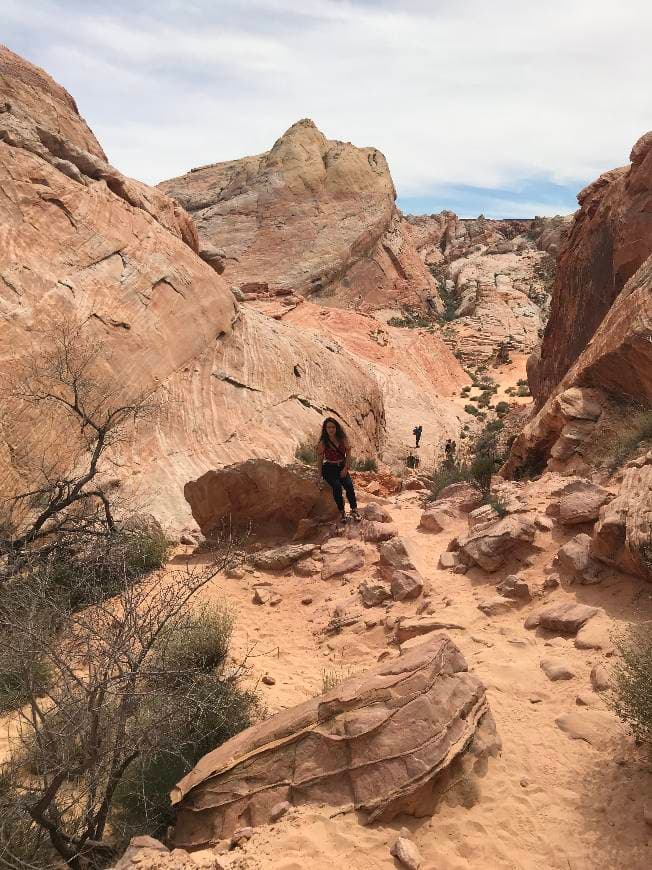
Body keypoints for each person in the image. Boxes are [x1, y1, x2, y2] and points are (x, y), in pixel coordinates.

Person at [316, 417, 361, 523]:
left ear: (336, 428)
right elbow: (320, 459)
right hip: (329, 468)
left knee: (349, 485)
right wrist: (319, 475)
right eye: (328, 427)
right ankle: (342, 512)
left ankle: (354, 509)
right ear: (325, 429)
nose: (331, 429)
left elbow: (349, 455)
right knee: (337, 488)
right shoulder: (324, 442)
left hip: (341, 465)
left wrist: (346, 468)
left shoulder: (343, 439)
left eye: (333, 427)